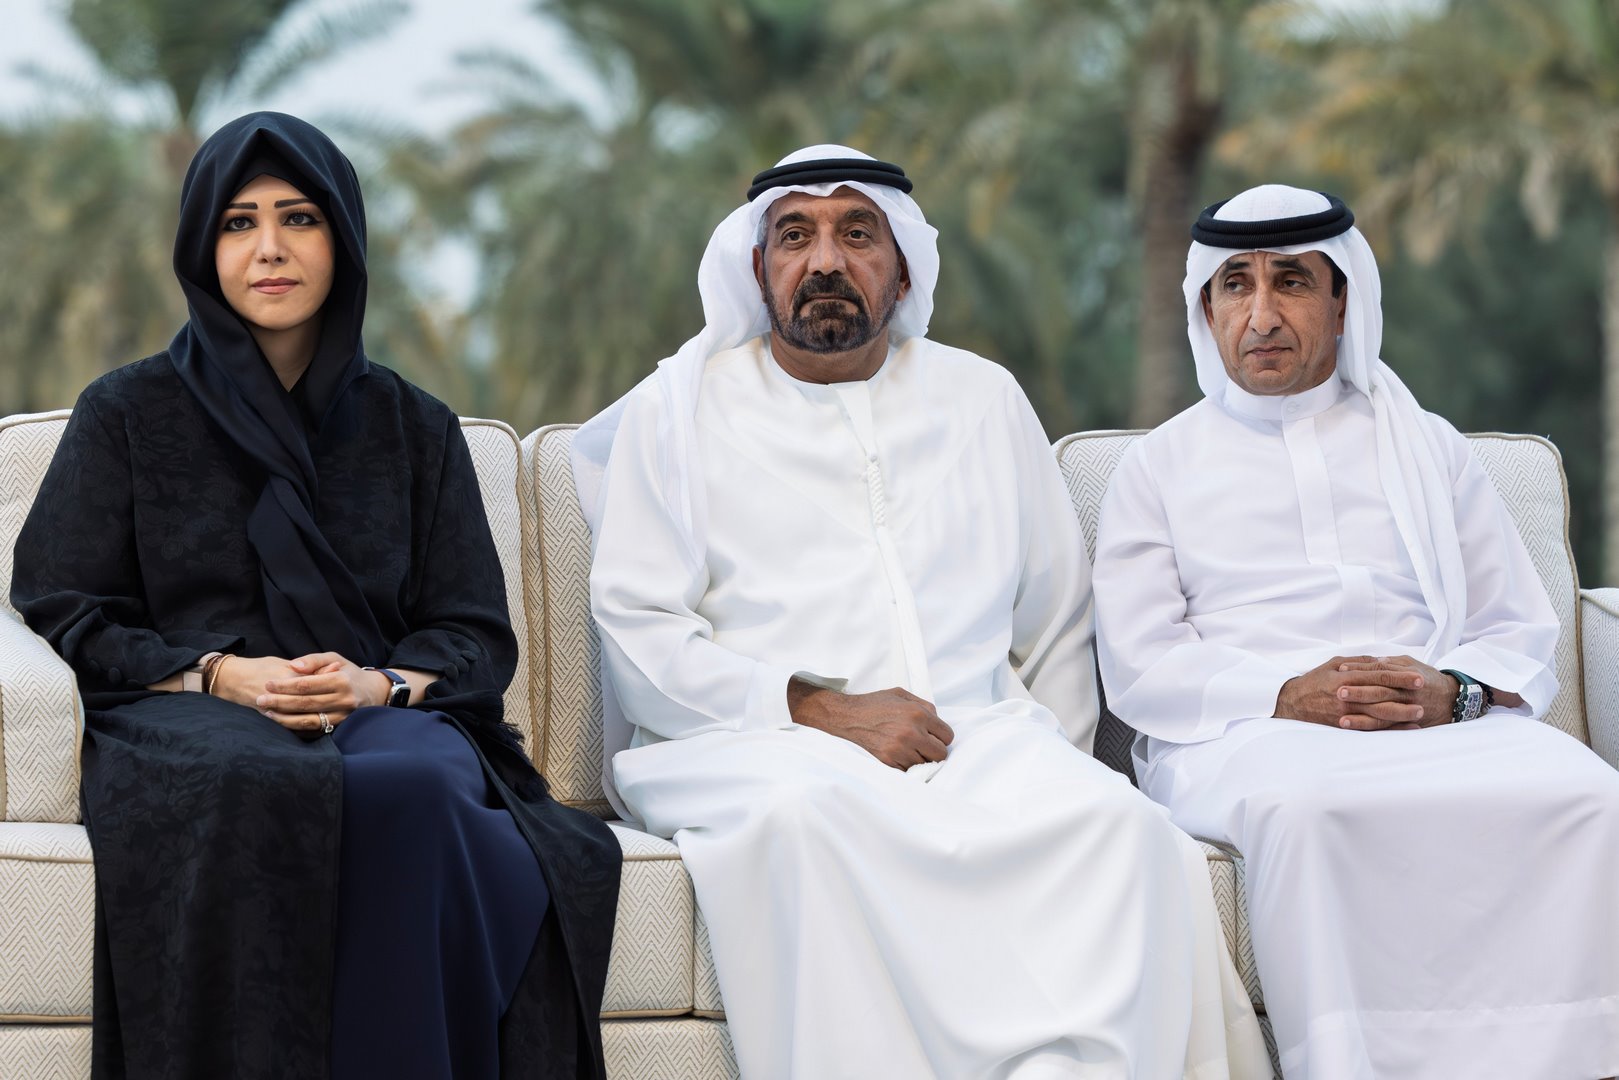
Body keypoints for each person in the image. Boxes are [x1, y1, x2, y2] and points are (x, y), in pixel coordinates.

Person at [573, 145, 1268, 1079]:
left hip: (981, 735)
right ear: (758, 266)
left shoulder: (980, 397)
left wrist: (1035, 769)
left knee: (1126, 831)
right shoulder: (679, 411)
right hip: (750, 745)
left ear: (902, 268)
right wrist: (817, 710)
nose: (825, 261)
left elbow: (1056, 620)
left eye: (857, 234)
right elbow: (640, 631)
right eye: (795, 237)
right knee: (808, 817)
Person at [10, 112, 620, 1080]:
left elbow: (471, 630)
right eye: (239, 223)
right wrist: (218, 674)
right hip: (187, 715)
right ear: (202, 247)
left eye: (298, 218)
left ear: (344, 240)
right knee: (258, 784)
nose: (269, 248)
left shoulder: (415, 428)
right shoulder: (126, 412)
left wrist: (379, 684)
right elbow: (62, 604)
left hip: (375, 709)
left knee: (418, 783)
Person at [1092, 183, 1619, 1078]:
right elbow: (1141, 660)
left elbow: (1513, 622)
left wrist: (1449, 691)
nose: (1261, 315)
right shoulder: (1156, 466)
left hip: (1436, 717)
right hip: (1243, 731)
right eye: (1234, 285)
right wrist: (1283, 693)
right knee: (1305, 807)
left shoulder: (1427, 445)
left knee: (1588, 794)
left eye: (1291, 281)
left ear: (1342, 302)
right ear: (1205, 310)